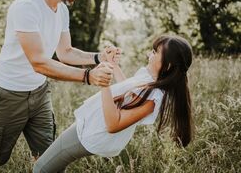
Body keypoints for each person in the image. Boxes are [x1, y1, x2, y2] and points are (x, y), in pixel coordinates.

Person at [0, 0, 120, 172]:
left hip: (39, 94)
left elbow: (65, 52)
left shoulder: (61, 11)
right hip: (8, 94)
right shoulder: (27, 6)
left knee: (48, 159)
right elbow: (39, 62)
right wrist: (89, 76)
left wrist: (98, 58)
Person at [33, 35, 194, 172]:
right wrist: (113, 65)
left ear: (168, 65)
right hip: (89, 125)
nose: (148, 54)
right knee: (51, 167)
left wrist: (104, 85)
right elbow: (128, 93)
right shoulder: (150, 79)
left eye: (154, 52)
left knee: (40, 169)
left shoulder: (154, 97)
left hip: (92, 134)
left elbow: (113, 124)